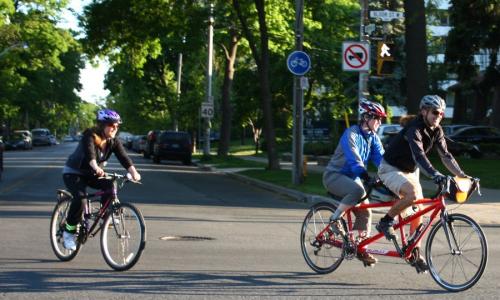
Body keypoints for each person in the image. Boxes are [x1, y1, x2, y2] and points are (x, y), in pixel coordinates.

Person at [376, 95, 468, 273]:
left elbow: (446, 156)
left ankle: (413, 250)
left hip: (410, 171)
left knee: (418, 208)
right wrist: (435, 174)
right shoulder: (414, 129)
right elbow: (419, 156)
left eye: (441, 113)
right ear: (424, 111)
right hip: (390, 168)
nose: (438, 116)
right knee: (411, 194)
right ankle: (385, 221)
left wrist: (463, 176)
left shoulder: (437, 130)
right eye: (435, 112)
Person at [62, 109, 141, 251]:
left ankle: (105, 216)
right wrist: (95, 166)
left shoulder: (113, 142)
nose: (115, 128)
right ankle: (68, 232)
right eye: (111, 125)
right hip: (74, 172)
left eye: (117, 125)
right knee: (80, 199)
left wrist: (133, 171)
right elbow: (90, 153)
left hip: (92, 173)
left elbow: (124, 157)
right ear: (102, 125)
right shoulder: (90, 135)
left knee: (110, 184)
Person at [323, 99, 386, 266]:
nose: (380, 122)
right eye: (377, 118)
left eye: (381, 119)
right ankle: (335, 219)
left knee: (366, 211)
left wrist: (391, 175)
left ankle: (360, 247)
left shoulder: (373, 138)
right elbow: (354, 160)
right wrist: (366, 177)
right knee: (358, 191)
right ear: (366, 117)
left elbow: (382, 160)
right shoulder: (351, 134)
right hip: (334, 176)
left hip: (353, 178)